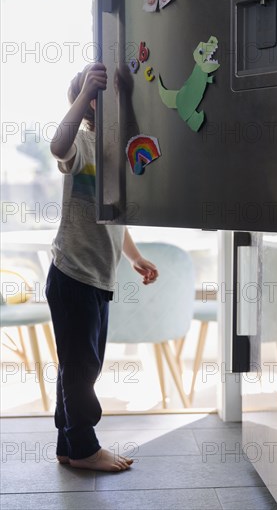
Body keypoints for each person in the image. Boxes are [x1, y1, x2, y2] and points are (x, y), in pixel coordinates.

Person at [46, 62, 158, 473]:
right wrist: (81, 97)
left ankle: (68, 445)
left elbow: (112, 224)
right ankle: (85, 448)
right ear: (87, 105)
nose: (98, 103)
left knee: (75, 365)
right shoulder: (83, 149)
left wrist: (135, 256)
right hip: (73, 274)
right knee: (83, 368)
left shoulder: (115, 156)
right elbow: (59, 146)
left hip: (94, 279)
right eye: (94, 96)